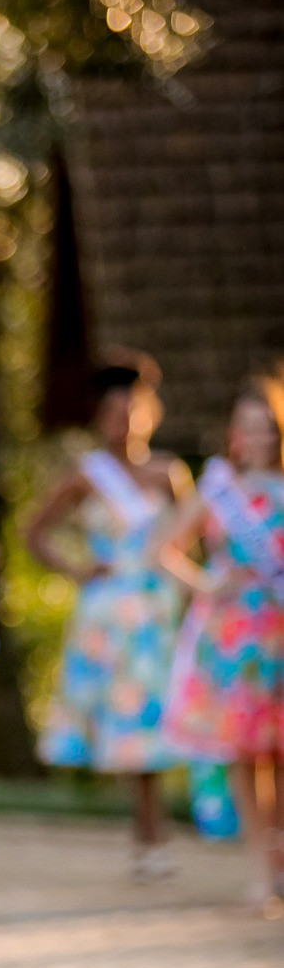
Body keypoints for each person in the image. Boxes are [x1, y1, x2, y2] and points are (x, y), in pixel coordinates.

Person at [24, 357, 191, 879]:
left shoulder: (169, 473)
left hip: (157, 610)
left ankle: (151, 837)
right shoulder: (86, 476)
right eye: (114, 411)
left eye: (133, 409)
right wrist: (77, 568)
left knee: (155, 723)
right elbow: (34, 532)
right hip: (108, 617)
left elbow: (195, 541)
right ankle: (149, 837)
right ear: (100, 417)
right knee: (127, 725)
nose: (124, 420)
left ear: (151, 413)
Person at [161, 379, 284, 909]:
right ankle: (261, 870)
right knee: (247, 755)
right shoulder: (218, 493)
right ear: (233, 435)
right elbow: (161, 548)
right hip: (236, 637)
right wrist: (207, 585)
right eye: (246, 427)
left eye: (266, 427)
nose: (255, 437)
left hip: (280, 631)